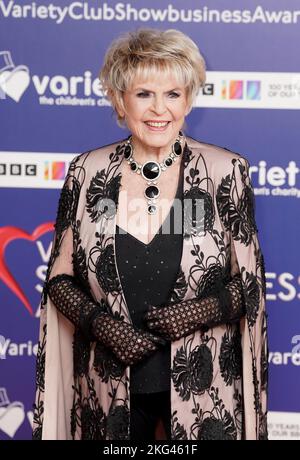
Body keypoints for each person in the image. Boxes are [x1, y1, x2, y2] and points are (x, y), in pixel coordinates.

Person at [32, 28, 268, 441]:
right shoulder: (89, 172)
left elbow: (248, 284)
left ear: (189, 99)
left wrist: (195, 313)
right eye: (144, 94)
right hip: (109, 391)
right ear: (119, 100)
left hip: (205, 393)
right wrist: (101, 325)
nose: (159, 109)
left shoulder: (224, 172)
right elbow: (59, 276)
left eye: (173, 94)